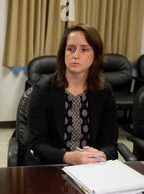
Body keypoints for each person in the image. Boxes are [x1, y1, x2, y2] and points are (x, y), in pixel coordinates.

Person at [27, 24, 118, 165]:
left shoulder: (104, 92)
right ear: (63, 53)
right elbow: (36, 144)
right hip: (54, 167)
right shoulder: (42, 90)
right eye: (70, 49)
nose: (75, 55)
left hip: (93, 168)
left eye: (84, 49)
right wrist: (68, 157)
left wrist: (103, 154)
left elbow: (111, 144)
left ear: (95, 55)